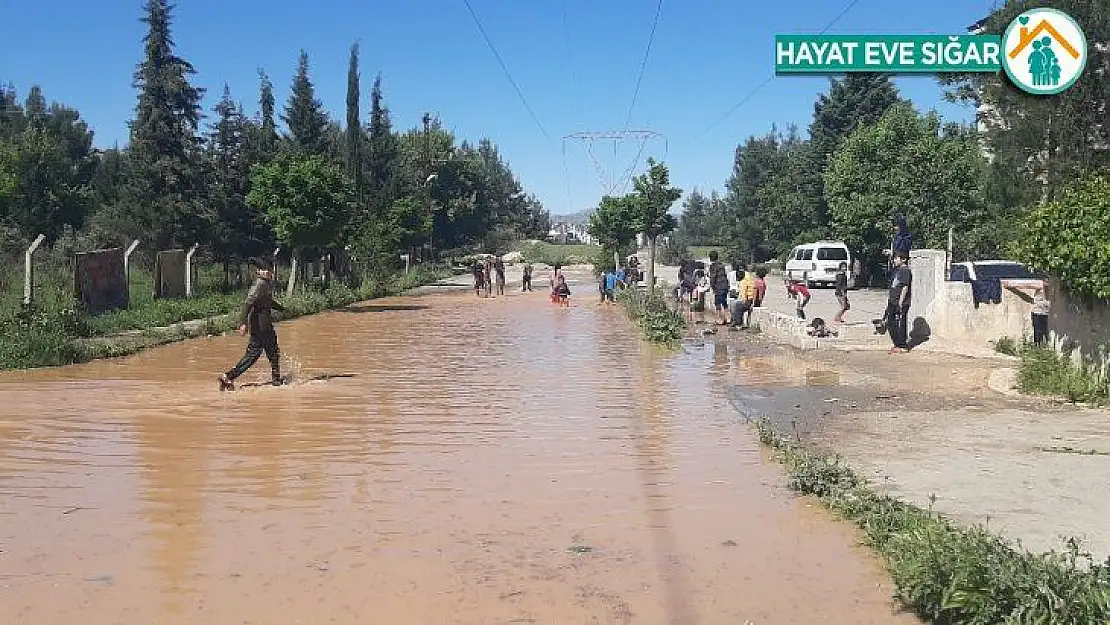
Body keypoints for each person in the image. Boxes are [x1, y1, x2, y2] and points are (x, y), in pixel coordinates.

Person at [218, 258, 285, 391]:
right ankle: (276, 381)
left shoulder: (266, 283)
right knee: (272, 351)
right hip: (261, 325)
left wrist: (282, 309)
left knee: (254, 355)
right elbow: (248, 303)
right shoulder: (260, 284)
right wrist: (243, 323)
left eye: (268, 270)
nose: (266, 272)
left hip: (261, 324)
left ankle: (228, 377)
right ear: (259, 272)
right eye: (263, 270)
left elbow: (268, 301)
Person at [886, 253, 912, 353]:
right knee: (891, 322)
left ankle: (902, 345)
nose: (895, 260)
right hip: (893, 300)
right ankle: (897, 344)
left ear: (903, 259)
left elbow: (905, 287)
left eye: (896, 259)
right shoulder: (897, 270)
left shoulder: (905, 271)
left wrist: (900, 302)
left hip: (900, 302)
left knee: (900, 323)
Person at [707, 250, 731, 325]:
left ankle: (719, 319)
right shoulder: (722, 265)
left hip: (719, 287)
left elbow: (713, 277)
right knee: (724, 302)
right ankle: (728, 318)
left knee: (717, 303)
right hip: (725, 286)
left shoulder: (712, 266)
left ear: (710, 258)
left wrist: (713, 287)